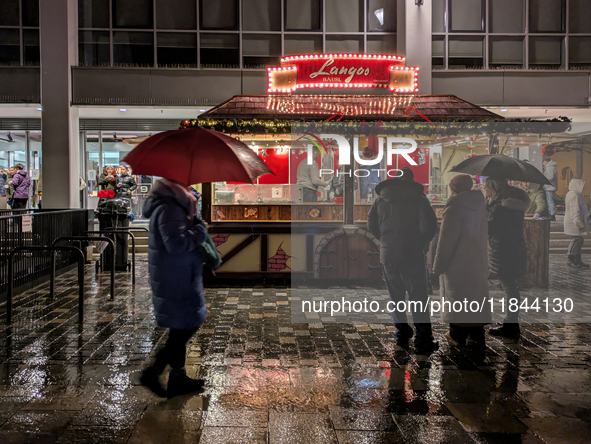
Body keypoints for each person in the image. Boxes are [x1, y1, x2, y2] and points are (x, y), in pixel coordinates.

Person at [140, 178, 209, 398]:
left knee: (182, 326)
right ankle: (154, 371)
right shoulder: (171, 208)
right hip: (175, 276)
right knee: (185, 326)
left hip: (176, 273)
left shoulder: (173, 205)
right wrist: (200, 229)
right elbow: (176, 244)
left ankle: (177, 377)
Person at [367, 176, 439, 353]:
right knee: (419, 298)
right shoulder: (419, 200)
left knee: (396, 296)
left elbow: (371, 225)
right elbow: (428, 227)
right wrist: (420, 243)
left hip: (389, 254)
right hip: (413, 254)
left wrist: (386, 241)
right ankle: (423, 339)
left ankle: (401, 334)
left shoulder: (380, 200)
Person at [433, 175, 491, 349]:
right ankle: (477, 334)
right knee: (475, 296)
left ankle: (457, 334)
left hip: (458, 262)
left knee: (458, 298)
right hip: (478, 260)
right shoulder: (480, 206)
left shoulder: (454, 208)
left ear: (454, 188)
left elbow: (446, 241)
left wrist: (438, 266)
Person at [485, 178, 530, 340]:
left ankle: (511, 325)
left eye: (487, 186)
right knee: (511, 287)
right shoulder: (513, 204)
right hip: (514, 247)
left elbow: (489, 227)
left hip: (503, 250)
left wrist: (486, 209)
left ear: (493, 188)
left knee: (510, 288)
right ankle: (511, 322)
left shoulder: (499, 207)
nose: (485, 189)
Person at [564, 178, 590, 268]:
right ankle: (571, 259)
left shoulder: (576, 194)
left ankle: (578, 260)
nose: (583, 188)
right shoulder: (574, 195)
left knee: (579, 241)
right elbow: (575, 211)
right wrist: (579, 224)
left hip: (576, 222)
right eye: (582, 186)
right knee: (575, 241)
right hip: (574, 223)